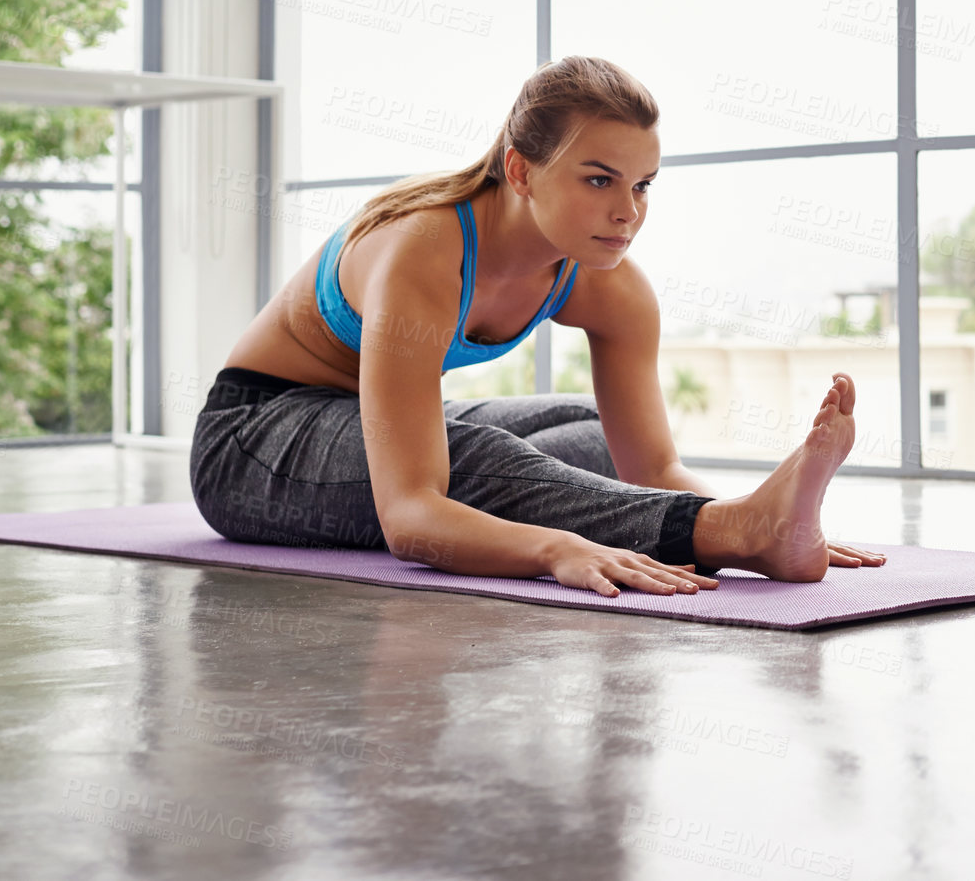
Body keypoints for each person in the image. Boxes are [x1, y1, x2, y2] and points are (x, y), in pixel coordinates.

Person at [189, 55, 886, 599]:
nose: (627, 212)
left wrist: (762, 511)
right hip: (251, 442)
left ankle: (745, 524)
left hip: (375, 425)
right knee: (476, 461)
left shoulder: (611, 286)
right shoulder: (424, 250)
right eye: (597, 180)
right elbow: (410, 515)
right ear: (521, 171)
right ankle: (732, 535)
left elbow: (651, 468)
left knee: (588, 432)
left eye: (641, 185)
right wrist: (555, 550)